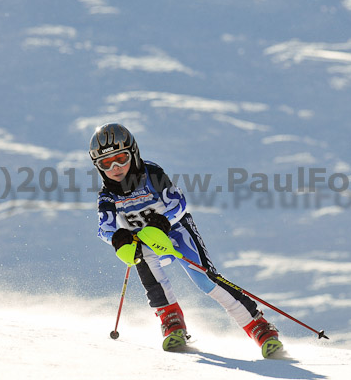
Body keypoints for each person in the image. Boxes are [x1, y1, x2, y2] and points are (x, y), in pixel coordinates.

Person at [89, 123, 283, 357]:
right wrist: (118, 238)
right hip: (143, 240)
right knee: (149, 274)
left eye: (120, 158)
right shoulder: (107, 195)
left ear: (134, 153)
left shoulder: (152, 173)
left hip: (177, 230)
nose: (116, 167)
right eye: (106, 163)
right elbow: (104, 228)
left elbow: (178, 203)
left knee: (205, 279)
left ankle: (258, 326)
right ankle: (171, 321)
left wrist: (164, 221)